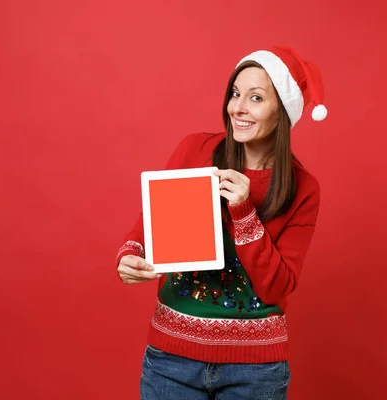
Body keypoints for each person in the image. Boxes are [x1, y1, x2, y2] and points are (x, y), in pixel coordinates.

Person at [115, 46, 327, 399]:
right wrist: (130, 253)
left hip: (255, 372)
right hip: (172, 361)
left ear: (283, 113)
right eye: (235, 93)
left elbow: (276, 287)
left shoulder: (304, 188)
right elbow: (149, 225)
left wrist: (244, 211)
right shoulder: (195, 150)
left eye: (255, 97)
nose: (237, 107)